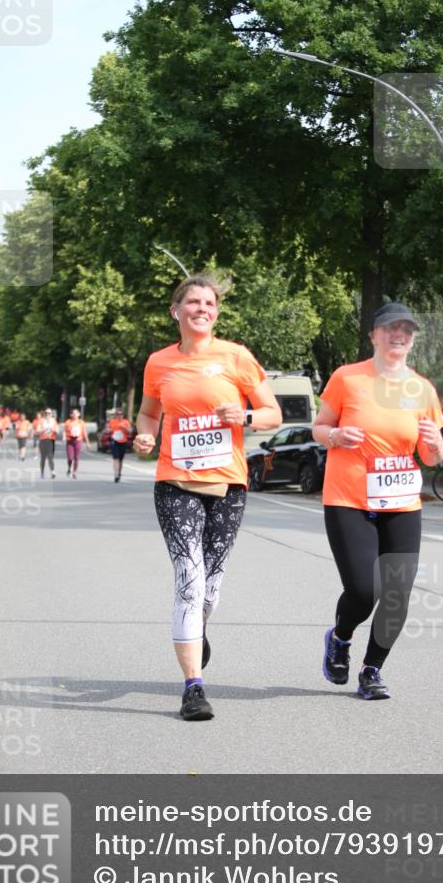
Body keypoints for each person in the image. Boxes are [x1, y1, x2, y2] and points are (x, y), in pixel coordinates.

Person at [134, 274, 282, 721]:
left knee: (211, 587)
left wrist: (246, 416)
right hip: (175, 482)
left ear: (216, 313)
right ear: (175, 311)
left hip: (228, 485)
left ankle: (196, 629)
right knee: (190, 578)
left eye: (210, 303)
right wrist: (144, 437)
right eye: (193, 302)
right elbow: (148, 414)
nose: (202, 308)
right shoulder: (159, 362)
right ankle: (193, 687)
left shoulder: (236, 357)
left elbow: (273, 414)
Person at [312, 302, 443, 701]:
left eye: (406, 330)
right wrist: (335, 436)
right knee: (363, 589)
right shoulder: (347, 378)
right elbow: (319, 427)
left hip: (401, 503)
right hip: (348, 499)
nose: (398, 335)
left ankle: (372, 670)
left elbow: (432, 455)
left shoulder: (422, 389)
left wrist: (437, 445)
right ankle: (340, 638)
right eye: (390, 328)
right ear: (374, 336)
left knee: (397, 593)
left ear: (412, 339)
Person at [108, 407, 132, 483]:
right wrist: (109, 431)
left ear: (123, 415)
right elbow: (109, 430)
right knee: (116, 458)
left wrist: (124, 427)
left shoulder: (126, 422)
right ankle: (116, 475)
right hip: (115, 442)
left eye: (120, 414)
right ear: (115, 415)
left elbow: (130, 431)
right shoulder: (112, 421)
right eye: (117, 414)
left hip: (123, 442)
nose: (119, 415)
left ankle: (119, 473)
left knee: (121, 460)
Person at [64, 408, 90, 478]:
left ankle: (74, 472)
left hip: (78, 440)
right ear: (71, 414)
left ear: (79, 414)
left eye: (76, 413)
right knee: (70, 458)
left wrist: (87, 443)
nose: (75, 415)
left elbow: (84, 433)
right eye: (73, 413)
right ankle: (69, 468)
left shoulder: (81, 422)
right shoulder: (68, 422)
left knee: (76, 458)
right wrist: (64, 436)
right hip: (70, 441)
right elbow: (65, 431)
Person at [38, 408, 59, 479]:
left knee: (50, 457)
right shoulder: (41, 420)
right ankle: (42, 472)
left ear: (51, 414)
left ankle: (52, 472)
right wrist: (43, 429)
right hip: (43, 440)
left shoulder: (54, 421)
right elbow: (37, 430)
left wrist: (52, 429)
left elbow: (57, 431)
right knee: (43, 458)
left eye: (49, 413)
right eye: (46, 413)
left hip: (51, 440)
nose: (47, 414)